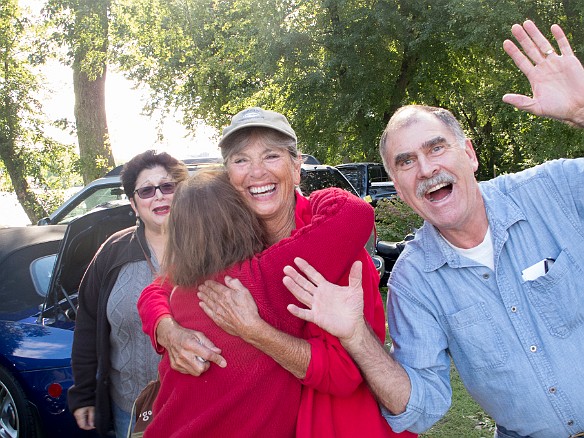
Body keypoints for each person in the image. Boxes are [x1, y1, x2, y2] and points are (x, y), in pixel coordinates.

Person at [283, 20, 584, 438]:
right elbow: (420, 406)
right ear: (400, 189)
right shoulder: (412, 281)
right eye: (405, 162)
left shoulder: (554, 190)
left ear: (470, 154)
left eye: (436, 147)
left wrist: (582, 111)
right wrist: (356, 336)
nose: (426, 169)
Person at [138, 108, 414, 437]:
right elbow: (162, 288)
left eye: (271, 156)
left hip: (333, 424)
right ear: (229, 177)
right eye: (241, 160)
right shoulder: (231, 250)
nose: (256, 171)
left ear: (296, 168)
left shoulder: (333, 240)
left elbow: (344, 373)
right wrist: (166, 329)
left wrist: (256, 332)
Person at [68, 150, 189, 437]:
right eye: (146, 190)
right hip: (131, 410)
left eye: (167, 186)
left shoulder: (211, 247)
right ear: (134, 204)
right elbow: (87, 324)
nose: (158, 196)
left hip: (196, 404)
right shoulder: (112, 252)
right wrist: (84, 394)